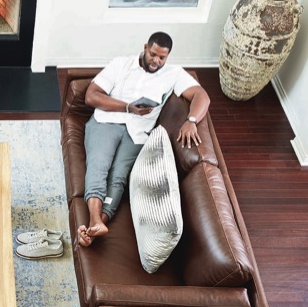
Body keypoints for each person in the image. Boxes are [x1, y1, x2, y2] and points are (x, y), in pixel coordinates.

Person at [76, 32, 211, 247]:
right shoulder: (121, 64)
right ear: (145, 47)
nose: (156, 61)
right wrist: (128, 107)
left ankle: (96, 227)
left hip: (137, 133)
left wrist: (192, 120)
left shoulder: (174, 73)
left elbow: (201, 95)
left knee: (118, 177)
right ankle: (94, 220)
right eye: (153, 55)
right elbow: (91, 96)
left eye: (162, 58)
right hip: (106, 122)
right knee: (99, 166)